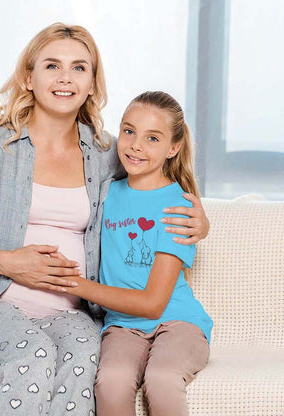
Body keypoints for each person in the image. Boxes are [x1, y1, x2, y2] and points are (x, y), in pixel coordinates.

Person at [0, 22, 210, 416]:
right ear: (29, 77)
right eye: (52, 65)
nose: (65, 78)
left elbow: (156, 181)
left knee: (84, 363)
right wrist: (9, 262)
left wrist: (201, 222)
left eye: (79, 68)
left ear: (92, 83)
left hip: (71, 312)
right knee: (35, 355)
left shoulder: (109, 153)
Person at [60, 91, 213, 416]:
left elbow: (153, 303)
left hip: (178, 322)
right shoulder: (104, 192)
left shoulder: (178, 208)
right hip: (121, 326)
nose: (136, 145)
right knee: (111, 382)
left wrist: (77, 285)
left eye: (152, 138)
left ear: (173, 148)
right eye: (129, 131)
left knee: (161, 379)